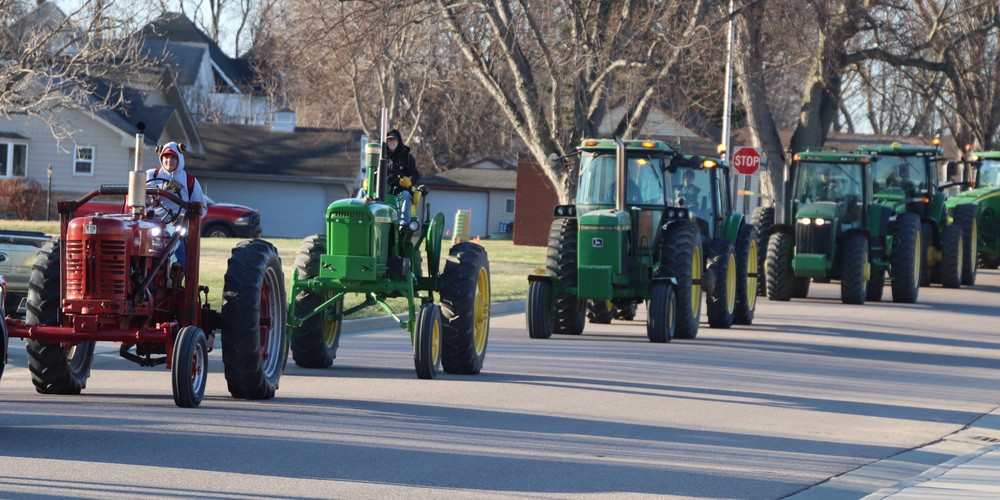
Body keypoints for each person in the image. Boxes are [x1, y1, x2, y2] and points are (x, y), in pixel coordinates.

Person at [146, 142, 208, 269]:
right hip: (151, 221)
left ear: (179, 159)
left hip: (177, 224)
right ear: (161, 158)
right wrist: (164, 187)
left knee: (175, 235)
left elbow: (202, 208)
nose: (169, 160)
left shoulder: (190, 181)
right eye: (166, 157)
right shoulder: (152, 175)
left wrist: (184, 218)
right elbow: (143, 195)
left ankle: (176, 269)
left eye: (173, 157)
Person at [383, 129, 421, 223]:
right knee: (363, 192)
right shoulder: (380, 156)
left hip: (399, 191)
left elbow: (415, 175)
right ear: (386, 142)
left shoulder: (407, 157)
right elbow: (374, 172)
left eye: (394, 140)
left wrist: (409, 181)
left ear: (398, 142)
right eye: (389, 140)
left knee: (405, 195)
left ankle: (403, 225)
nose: (392, 142)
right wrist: (368, 181)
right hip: (382, 191)